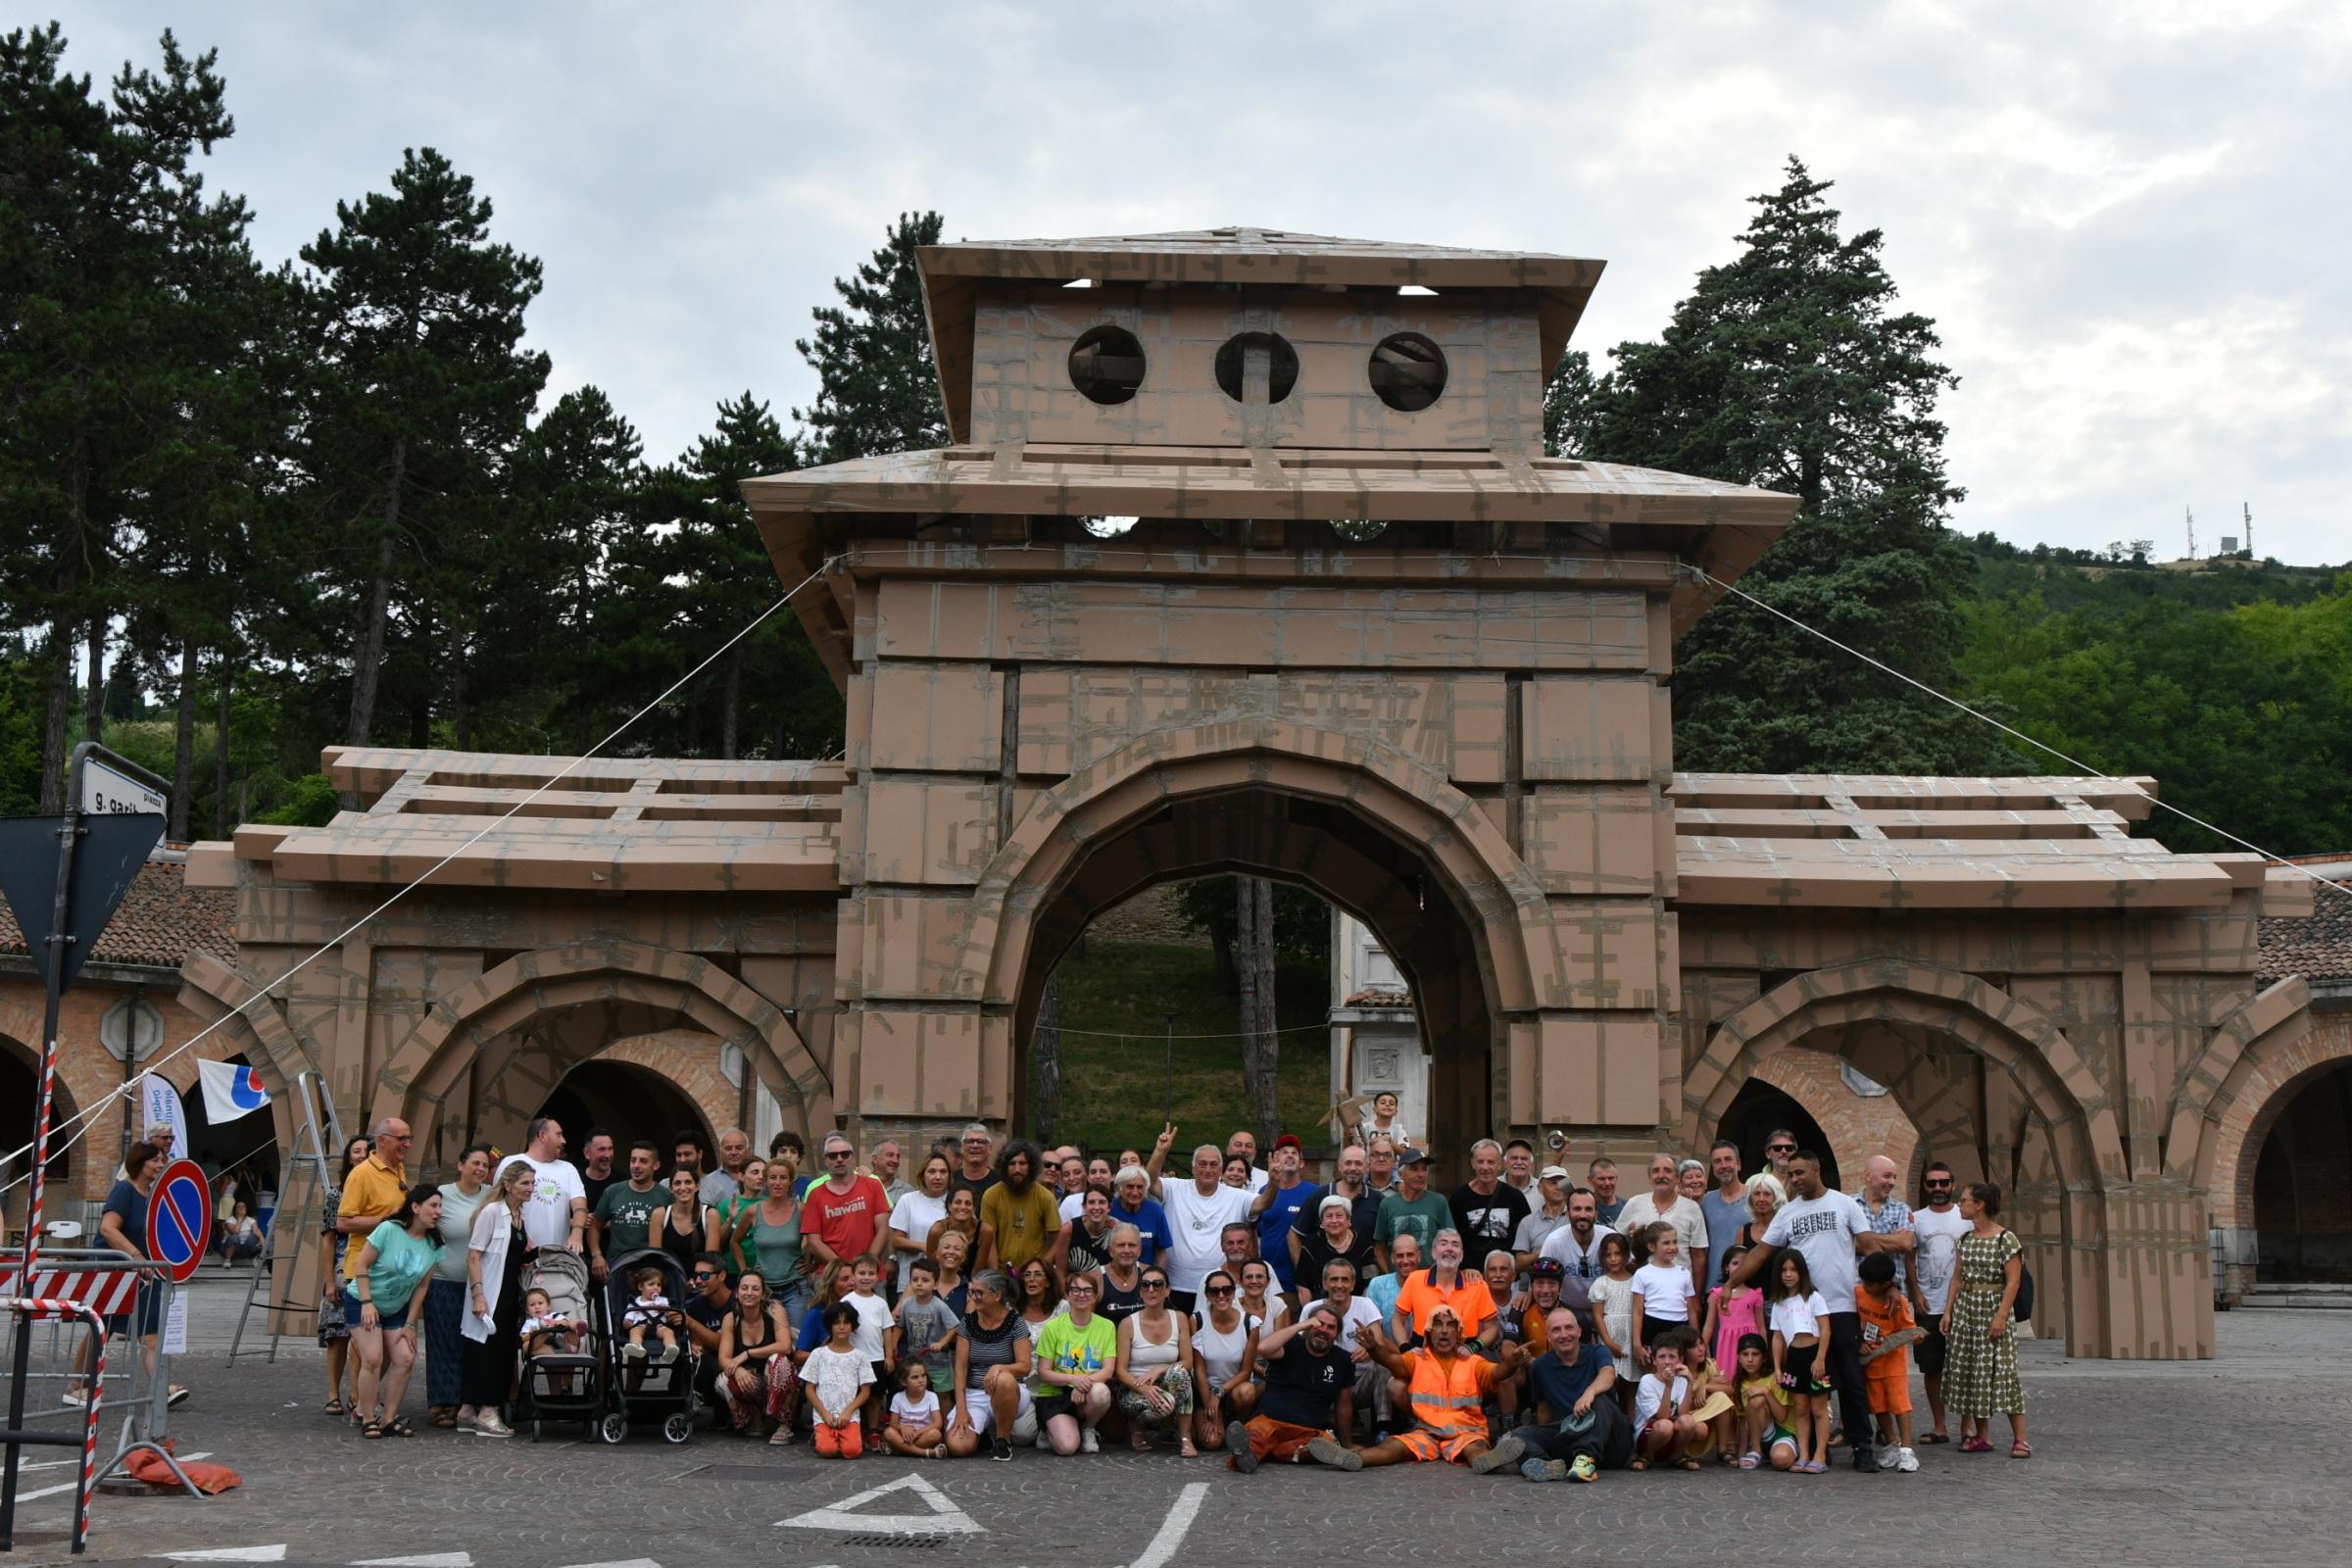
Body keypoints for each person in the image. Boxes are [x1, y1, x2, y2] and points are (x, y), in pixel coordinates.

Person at [1720, 1149, 1889, 1471]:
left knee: (1851, 1381)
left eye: (1800, 1173)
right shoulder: (1788, 1213)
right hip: (1801, 1311)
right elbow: (1759, 1254)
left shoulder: (1844, 1204)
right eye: (1791, 1174)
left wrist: (1888, 1285)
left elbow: (1870, 1247)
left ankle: (1862, 1446)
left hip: (1839, 1306)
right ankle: (1809, 1447)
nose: (1795, 1179)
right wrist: (1731, 1283)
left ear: (1816, 1168)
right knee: (1804, 1385)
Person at [76, 1144, 188, 1410]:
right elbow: (108, 1228)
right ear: (140, 1163)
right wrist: (135, 1256)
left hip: (145, 1274)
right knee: (99, 1329)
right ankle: (77, 1386)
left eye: (162, 1161)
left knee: (151, 1335)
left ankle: (161, 1388)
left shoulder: (154, 1196)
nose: (161, 1165)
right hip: (114, 1271)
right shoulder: (124, 1191)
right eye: (155, 1161)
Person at [1356, 1309, 1528, 1467]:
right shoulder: (1416, 1359)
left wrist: (1511, 1363)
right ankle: (1352, 1459)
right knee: (1392, 1447)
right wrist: (1373, 1348)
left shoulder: (1473, 1362)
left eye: (1450, 1325)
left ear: (1458, 1333)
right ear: (1429, 1333)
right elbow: (1389, 1360)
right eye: (1438, 1324)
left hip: (1467, 1432)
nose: (1444, 1330)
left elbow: (1497, 1373)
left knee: (1475, 1449)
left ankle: (1487, 1461)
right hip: (1426, 1433)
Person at [1478, 1305, 1629, 1482]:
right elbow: (1543, 1409)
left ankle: (1585, 1458)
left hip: (1610, 1443)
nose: (1564, 1335)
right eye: (1556, 1330)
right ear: (1548, 1336)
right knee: (1521, 1435)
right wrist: (1543, 1438)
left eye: (1569, 1328)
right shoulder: (1540, 1366)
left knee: (1599, 1398)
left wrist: (1589, 1392)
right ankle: (1542, 1463)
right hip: (1570, 1434)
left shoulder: (1598, 1352)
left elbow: (1608, 1374)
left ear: (1579, 1331)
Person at [344, 1181, 441, 1439]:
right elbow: (361, 1266)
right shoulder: (388, 1229)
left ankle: (388, 1418)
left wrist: (410, 1324)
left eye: (440, 1206)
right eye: (433, 1205)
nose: (438, 1211)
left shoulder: (434, 1245)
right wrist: (367, 1304)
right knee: (373, 1358)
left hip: (396, 1308)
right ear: (416, 1207)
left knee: (405, 1358)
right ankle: (367, 1417)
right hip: (362, 1300)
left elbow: (422, 1288)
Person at [1942, 1181, 2029, 1458]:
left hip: (1992, 1307)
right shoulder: (1965, 1239)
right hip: (1967, 1310)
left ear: (1979, 1205)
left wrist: (2001, 1316)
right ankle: (1982, 1435)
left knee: (2003, 1372)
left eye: (1964, 1200)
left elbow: (2013, 1282)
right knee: (1971, 1371)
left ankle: (2020, 1439)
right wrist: (1948, 1311)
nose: (1960, 1204)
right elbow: (1957, 1277)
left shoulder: (2006, 1239)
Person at [1223, 1304, 1364, 1473]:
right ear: (1309, 1325)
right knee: (1257, 1435)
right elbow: (1263, 1348)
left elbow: (1343, 1406)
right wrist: (1300, 1326)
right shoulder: (1290, 1344)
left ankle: (1264, 1453)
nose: (1324, 1330)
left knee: (1325, 1442)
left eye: (1331, 1327)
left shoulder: (1343, 1360)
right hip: (1269, 1420)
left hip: (1308, 1429)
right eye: (1319, 1324)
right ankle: (1250, 1454)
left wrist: (1347, 1443)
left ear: (1337, 1333)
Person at [332, 1121, 411, 1413]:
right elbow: (343, 1222)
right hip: (363, 1271)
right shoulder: (362, 1174)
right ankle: (359, 1402)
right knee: (366, 1347)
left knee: (385, 1347)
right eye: (402, 1138)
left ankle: (367, 1399)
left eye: (409, 1138)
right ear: (382, 1140)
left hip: (392, 1273)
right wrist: (385, 1220)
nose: (407, 1144)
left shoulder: (398, 1170)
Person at [460, 1158, 540, 1437]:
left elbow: (512, 1254)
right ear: (508, 1185)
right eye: (525, 1183)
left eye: (532, 1183)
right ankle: (487, 1411)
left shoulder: (518, 1215)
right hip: (491, 1292)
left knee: (496, 1350)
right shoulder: (492, 1212)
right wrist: (478, 1295)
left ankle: (467, 1410)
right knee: (490, 1354)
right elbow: (473, 1255)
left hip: (508, 1292)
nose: (531, 1189)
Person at [424, 1143, 493, 1429]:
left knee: (472, 1346)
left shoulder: (491, 1196)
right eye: (475, 1163)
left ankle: (467, 1400)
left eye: (485, 1166)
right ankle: (442, 1403)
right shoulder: (443, 1195)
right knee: (443, 1344)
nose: (480, 1169)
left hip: (479, 1285)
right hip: (443, 1281)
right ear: (461, 1165)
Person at [1150, 1131, 1254, 1314]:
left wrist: (1275, 1183)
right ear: (1193, 1168)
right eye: (1202, 1164)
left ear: (1221, 1171)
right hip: (1176, 1285)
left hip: (1218, 1289)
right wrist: (1160, 1151)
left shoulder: (1236, 1196)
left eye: (1214, 1165)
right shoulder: (1175, 1187)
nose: (1208, 1169)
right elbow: (1149, 1181)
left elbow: (1263, 1203)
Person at [1909, 1160, 1969, 1444]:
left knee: (1965, 1367)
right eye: (1932, 1183)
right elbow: (1909, 1257)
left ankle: (1967, 1427)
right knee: (1932, 1367)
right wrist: (1915, 1293)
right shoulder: (1916, 1218)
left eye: (1943, 1182)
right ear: (1925, 1186)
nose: (1938, 1188)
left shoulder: (1965, 1216)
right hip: (1928, 1304)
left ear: (1952, 1185)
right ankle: (1940, 1425)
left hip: (1962, 1305)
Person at [949, 1269, 1032, 1460]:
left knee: (1003, 1380)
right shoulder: (967, 1322)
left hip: (1010, 1391)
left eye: (979, 1293)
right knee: (957, 1446)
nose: (973, 1297)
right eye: (972, 1292)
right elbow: (960, 1369)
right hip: (975, 1393)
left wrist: (999, 1367)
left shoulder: (1016, 1322)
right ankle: (983, 1435)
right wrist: (961, 1409)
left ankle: (1003, 1441)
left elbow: (1025, 1366)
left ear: (996, 1296)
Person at [1114, 1265, 1199, 1454]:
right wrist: (1143, 1388)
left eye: (1157, 1284)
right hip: (1135, 1388)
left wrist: (1160, 1368)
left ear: (1167, 1290)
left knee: (1180, 1374)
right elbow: (1120, 1371)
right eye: (1145, 1285)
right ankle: (1137, 1428)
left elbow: (1187, 1362)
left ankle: (1185, 1438)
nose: (1151, 1290)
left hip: (1169, 1384)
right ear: (1141, 1291)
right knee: (1163, 1402)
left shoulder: (1179, 1318)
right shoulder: (1128, 1323)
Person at [1032, 1268, 1116, 1454]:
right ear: (1067, 1295)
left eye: (1087, 1291)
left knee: (1101, 1392)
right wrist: (1074, 1380)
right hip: (1055, 1394)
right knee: (1067, 1448)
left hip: (1087, 1393)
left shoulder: (1106, 1326)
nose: (1081, 1295)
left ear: (1095, 1296)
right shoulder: (1053, 1327)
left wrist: (1082, 1385)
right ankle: (1048, 1429)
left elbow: (1108, 1370)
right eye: (1075, 1290)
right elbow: (1044, 1372)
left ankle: (1088, 1428)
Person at [1298, 1258, 1386, 1430]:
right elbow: (1301, 1351)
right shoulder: (1311, 1309)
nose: (1339, 1285)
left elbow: (1380, 1343)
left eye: (1345, 1280)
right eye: (1334, 1279)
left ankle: (1383, 1426)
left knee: (1384, 1366)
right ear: (1324, 1283)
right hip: (1325, 1384)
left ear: (1353, 1284)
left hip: (1359, 1381)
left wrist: (1370, 1349)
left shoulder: (1365, 1304)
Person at [1767, 1249, 1833, 1473]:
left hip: (1814, 1355)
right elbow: (1777, 1337)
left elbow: (1825, 1329)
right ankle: (1803, 1454)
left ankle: (1820, 1455)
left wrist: (1820, 1358)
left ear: (1802, 1272)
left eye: (1793, 1269)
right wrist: (1777, 1367)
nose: (1788, 1274)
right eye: (1784, 1270)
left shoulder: (1814, 1298)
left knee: (1819, 1409)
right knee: (1801, 1409)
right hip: (1794, 1358)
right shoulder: (1778, 1304)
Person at [1855, 1250, 1921, 1471]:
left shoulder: (1898, 1302)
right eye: (1864, 1282)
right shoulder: (1857, 1294)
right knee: (1879, 1405)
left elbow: (1909, 1330)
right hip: (1871, 1362)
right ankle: (1892, 1444)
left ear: (1885, 1284)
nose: (1866, 1287)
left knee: (1899, 1404)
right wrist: (1859, 1341)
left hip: (1893, 1362)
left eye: (1871, 1284)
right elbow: (1853, 1321)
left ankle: (1907, 1450)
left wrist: (1917, 1337)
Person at [1189, 1267, 1261, 1452]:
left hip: (1233, 1389)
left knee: (1247, 1392)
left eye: (1227, 1290)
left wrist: (1219, 1393)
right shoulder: (1197, 1320)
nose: (1221, 1295)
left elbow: (1246, 1372)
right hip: (1204, 1390)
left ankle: (1238, 1425)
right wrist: (1209, 1407)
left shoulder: (1250, 1323)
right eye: (1214, 1291)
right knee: (1211, 1442)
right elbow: (1199, 1370)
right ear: (1207, 1295)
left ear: (1234, 1292)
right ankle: (1208, 1420)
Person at [715, 1268, 793, 1440]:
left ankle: (784, 1424)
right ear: (737, 1293)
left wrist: (748, 1353)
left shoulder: (774, 1311)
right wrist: (737, 1370)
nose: (749, 1293)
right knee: (723, 1380)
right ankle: (753, 1417)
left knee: (778, 1360)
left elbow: (785, 1346)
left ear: (763, 1294)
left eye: (755, 1288)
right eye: (744, 1288)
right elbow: (723, 1358)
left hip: (778, 1378)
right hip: (752, 1380)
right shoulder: (731, 1318)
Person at [494, 1117, 587, 1255]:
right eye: (558, 1134)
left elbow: (580, 1205)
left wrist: (577, 1233)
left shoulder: (568, 1169)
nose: (563, 1141)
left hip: (556, 1257)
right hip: (518, 1254)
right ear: (543, 1136)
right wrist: (520, 1236)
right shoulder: (511, 1162)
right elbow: (498, 1205)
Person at [806, 1132, 893, 1277]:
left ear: (854, 1157)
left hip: (871, 1275)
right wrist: (844, 1269)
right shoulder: (815, 1194)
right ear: (825, 1161)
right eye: (833, 1156)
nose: (839, 1159)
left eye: (845, 1154)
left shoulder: (873, 1185)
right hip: (832, 1276)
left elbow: (883, 1229)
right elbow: (814, 1241)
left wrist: (864, 1267)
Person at [1392, 1229, 1495, 1348]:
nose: (1449, 1248)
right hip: (1423, 1356)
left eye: (1455, 1244)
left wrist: (1473, 1348)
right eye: (1443, 1243)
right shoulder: (1415, 1279)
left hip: (1464, 1357)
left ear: (1462, 1254)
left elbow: (1492, 1327)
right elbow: (1397, 1320)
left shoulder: (1477, 1285)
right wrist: (1406, 1349)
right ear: (1433, 1252)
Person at [1614, 1152, 1706, 1285]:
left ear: (1677, 1177)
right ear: (1649, 1177)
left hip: (1678, 1291)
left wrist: (1696, 1297)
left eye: (1667, 1171)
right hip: (1639, 1288)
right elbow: (1616, 1243)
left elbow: (1698, 1257)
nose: (1661, 1176)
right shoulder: (1635, 1203)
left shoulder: (1692, 1208)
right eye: (1656, 1171)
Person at [733, 1157, 808, 1321]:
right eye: (773, 1178)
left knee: (796, 1338)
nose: (778, 1183)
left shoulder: (801, 1210)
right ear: (766, 1181)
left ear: (790, 1181)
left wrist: (812, 1263)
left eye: (783, 1178)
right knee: (768, 1339)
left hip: (795, 1287)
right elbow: (735, 1242)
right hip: (763, 1289)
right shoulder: (753, 1211)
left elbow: (816, 1238)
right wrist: (745, 1271)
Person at [802, 1301, 875, 1458]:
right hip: (824, 1414)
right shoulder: (818, 1354)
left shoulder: (860, 1357)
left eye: (846, 1322)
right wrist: (824, 1413)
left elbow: (865, 1391)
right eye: (836, 1323)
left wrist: (848, 1412)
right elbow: (809, 1388)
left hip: (849, 1416)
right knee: (828, 1451)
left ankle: (840, 1437)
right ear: (829, 1326)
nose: (841, 1327)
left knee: (852, 1451)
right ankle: (820, 1437)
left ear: (853, 1326)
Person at [1628, 1331, 1707, 1472]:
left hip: (1669, 1434)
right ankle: (1646, 1457)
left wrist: (1690, 1383)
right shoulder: (1648, 1381)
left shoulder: (1682, 1379)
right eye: (1662, 1357)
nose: (1667, 1361)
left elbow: (1683, 1414)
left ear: (1680, 1360)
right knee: (1665, 1425)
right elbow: (1662, 1417)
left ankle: (1676, 1456)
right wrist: (1668, 1385)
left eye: (1672, 1356)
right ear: (1654, 1360)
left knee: (1695, 1425)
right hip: (1648, 1436)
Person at [590, 1140, 666, 1285]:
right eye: (633, 1160)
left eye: (643, 1161)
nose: (636, 1166)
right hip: (616, 1268)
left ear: (656, 1165)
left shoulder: (665, 1196)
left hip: (649, 1272)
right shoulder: (613, 1191)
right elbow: (595, 1225)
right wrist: (596, 1255)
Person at [1449, 1138, 1530, 1275]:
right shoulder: (1459, 1198)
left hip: (1506, 1277)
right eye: (1480, 1161)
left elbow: (1527, 1237)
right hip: (1471, 1277)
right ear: (1472, 1163)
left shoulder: (1515, 1197)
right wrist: (1464, 1267)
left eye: (1491, 1162)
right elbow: (1452, 1239)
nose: (1485, 1167)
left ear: (1500, 1164)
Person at [1249, 1136, 1315, 1298]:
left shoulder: (1314, 1193)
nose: (1290, 1155)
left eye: (1294, 1153)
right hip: (1266, 1284)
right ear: (1275, 1160)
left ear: (1302, 1163)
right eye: (1284, 1152)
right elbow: (1252, 1232)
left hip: (1299, 1285)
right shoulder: (1264, 1193)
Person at [980, 1139, 1061, 1271]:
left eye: (1022, 1163)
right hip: (1003, 1273)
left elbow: (1058, 1240)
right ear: (1004, 1167)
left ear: (1031, 1166)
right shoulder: (991, 1195)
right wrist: (995, 1276)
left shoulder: (1045, 1197)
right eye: (1012, 1164)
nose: (1017, 1169)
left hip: (1033, 1275)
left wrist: (1040, 1268)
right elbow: (989, 1240)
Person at [896, 1255, 961, 1413]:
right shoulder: (907, 1304)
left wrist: (942, 1342)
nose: (919, 1283)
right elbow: (899, 1326)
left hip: (938, 1361)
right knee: (915, 1392)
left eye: (925, 1280)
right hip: (915, 1361)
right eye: (915, 1279)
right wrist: (892, 1346)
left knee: (942, 1395)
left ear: (936, 1284)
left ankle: (945, 1429)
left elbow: (955, 1327)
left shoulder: (939, 1306)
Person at [1629, 1221, 1698, 1368]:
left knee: (1681, 1372)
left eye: (1675, 1242)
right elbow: (1637, 1311)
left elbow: (1691, 1310)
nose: (1672, 1247)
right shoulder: (1642, 1274)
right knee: (1656, 1373)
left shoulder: (1684, 1273)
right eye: (1666, 1243)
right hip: (1653, 1326)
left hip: (1680, 1327)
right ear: (1651, 1246)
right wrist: (1636, 1343)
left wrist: (1696, 1339)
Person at [1294, 1194, 1378, 1315]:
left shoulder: (1364, 1244)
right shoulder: (1311, 1244)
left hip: (1355, 1310)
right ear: (1322, 1221)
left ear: (1349, 1219)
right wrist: (1314, 1315)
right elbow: (1303, 1286)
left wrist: (1358, 1312)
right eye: (1329, 1216)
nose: (1334, 1220)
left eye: (1339, 1216)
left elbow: (1369, 1284)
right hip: (1320, 1310)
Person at [1371, 1147, 1450, 1270]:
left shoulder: (1438, 1202)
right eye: (1414, 1169)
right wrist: (1390, 1278)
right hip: (1398, 1283)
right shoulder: (1388, 1205)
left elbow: (1449, 1244)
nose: (1420, 1174)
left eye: (1424, 1169)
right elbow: (1379, 1249)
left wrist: (1436, 1275)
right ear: (1400, 1174)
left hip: (1429, 1282)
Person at [889, 1152, 956, 1293]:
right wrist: (926, 1246)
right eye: (932, 1171)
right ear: (922, 1176)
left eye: (943, 1172)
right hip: (913, 1282)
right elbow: (896, 1240)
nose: (937, 1177)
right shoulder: (908, 1200)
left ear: (949, 1176)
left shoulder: (957, 1202)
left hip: (947, 1281)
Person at [679, 1253, 735, 1421]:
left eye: (704, 1275)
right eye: (696, 1275)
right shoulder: (697, 1303)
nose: (698, 1280)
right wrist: (695, 1344)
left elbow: (724, 1345)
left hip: (736, 1362)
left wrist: (690, 1323)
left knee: (715, 1360)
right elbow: (696, 1339)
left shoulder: (737, 1304)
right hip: (709, 1364)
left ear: (722, 1276)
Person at [1537, 1185, 1614, 1298]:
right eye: (1577, 1209)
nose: (1583, 1215)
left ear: (1596, 1214)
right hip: (1567, 1308)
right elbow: (1541, 1277)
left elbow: (1629, 1272)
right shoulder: (1554, 1241)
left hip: (1605, 1307)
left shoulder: (1611, 1237)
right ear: (1568, 1214)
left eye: (1588, 1209)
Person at [1702, 1243, 1767, 1379]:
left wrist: (1764, 1350)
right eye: (1735, 1263)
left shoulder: (1755, 1295)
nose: (1739, 1267)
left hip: (1751, 1343)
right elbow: (1709, 1326)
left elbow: (1761, 1327)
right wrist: (1702, 1347)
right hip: (1728, 1345)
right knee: (1727, 1378)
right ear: (1726, 1267)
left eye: (1744, 1263)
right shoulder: (1717, 1295)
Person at [1858, 1153, 1918, 1296]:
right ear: (1868, 1176)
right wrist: (1893, 1239)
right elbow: (1849, 1243)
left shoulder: (1902, 1209)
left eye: (1894, 1177)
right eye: (1887, 1176)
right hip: (1858, 1293)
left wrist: (1862, 1236)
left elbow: (1906, 1243)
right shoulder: (1849, 1205)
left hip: (1894, 1294)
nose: (1892, 1182)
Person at [1586, 1233, 1637, 1394]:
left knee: (1630, 1387)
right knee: (1611, 1383)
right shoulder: (1601, 1283)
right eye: (1608, 1255)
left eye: (1617, 1254)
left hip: (1631, 1338)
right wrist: (1608, 1342)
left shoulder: (1636, 1280)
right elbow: (1597, 1316)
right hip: (1610, 1337)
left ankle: (1631, 1419)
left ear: (1626, 1255)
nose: (1613, 1259)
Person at [1699, 1141, 1752, 1292]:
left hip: (1747, 1289)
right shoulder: (1705, 1202)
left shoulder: (1756, 1198)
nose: (1723, 1165)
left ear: (1739, 1164)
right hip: (1712, 1288)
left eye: (1728, 1159)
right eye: (1717, 1161)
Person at [647, 1166, 720, 1269]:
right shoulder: (659, 1215)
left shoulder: (710, 1215)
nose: (683, 1187)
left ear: (697, 1186)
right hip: (668, 1278)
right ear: (671, 1189)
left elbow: (711, 1262)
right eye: (677, 1183)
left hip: (700, 1280)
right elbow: (655, 1260)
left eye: (688, 1182)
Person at [1104, 1164, 1173, 1267]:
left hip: (1144, 1277)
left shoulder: (1155, 1211)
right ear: (1119, 1188)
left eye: (1140, 1187)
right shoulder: (1108, 1209)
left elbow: (1161, 1251)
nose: (1135, 1192)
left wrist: (1157, 1277)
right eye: (1130, 1186)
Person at [1511, 1165, 1574, 1269]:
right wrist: (1543, 1251)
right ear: (1540, 1188)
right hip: (1539, 1282)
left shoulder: (1577, 1217)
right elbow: (1519, 1264)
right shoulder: (1528, 1222)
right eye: (1553, 1183)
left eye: (1563, 1183)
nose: (1558, 1187)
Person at [714, 1156, 766, 1277]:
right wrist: (730, 1219)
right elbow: (718, 1243)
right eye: (755, 1172)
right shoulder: (726, 1205)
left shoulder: (770, 1203)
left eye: (764, 1173)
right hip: (733, 1271)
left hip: (765, 1271)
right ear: (741, 1176)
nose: (761, 1177)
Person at [1054, 1187, 1119, 1284]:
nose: (1096, 1207)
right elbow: (1060, 1272)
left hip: (1107, 1289)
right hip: (1074, 1290)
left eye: (1101, 1202)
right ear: (1084, 1206)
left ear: (1109, 1207)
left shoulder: (1118, 1230)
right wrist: (1066, 1296)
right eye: (1091, 1202)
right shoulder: (1068, 1230)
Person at [884, 1358, 948, 1457]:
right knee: (888, 1433)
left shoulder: (931, 1396)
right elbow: (893, 1424)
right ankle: (924, 1453)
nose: (921, 1380)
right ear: (904, 1382)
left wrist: (918, 1433)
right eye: (915, 1377)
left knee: (936, 1434)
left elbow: (938, 1423)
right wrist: (902, 1427)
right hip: (904, 1436)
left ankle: (899, 1449)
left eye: (923, 1375)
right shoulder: (898, 1397)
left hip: (922, 1436)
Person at [621, 1265, 681, 1362]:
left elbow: (672, 1315)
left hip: (659, 1326)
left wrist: (667, 1310)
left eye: (659, 1285)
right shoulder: (635, 1303)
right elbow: (629, 1316)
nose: (656, 1288)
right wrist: (627, 1322)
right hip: (641, 1325)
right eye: (651, 1284)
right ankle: (636, 1346)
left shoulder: (664, 1301)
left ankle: (671, 1348)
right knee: (634, 1331)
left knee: (669, 1332)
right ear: (641, 1287)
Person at [1363, 1232, 1419, 1326]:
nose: (1405, 1261)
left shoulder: (1429, 1284)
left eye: (1410, 1255)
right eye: (1400, 1256)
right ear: (1392, 1258)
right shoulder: (1378, 1285)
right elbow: (1373, 1330)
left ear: (1419, 1256)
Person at [516, 1286, 583, 1359]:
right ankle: (545, 1332)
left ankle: (578, 1325)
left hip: (564, 1343)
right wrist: (530, 1333)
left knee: (570, 1323)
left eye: (540, 1303)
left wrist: (556, 1323)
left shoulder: (554, 1315)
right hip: (546, 1348)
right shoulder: (529, 1322)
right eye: (532, 1305)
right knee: (525, 1347)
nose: (537, 1307)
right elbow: (524, 1338)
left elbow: (565, 1323)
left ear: (548, 1306)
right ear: (527, 1310)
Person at [701, 1127, 752, 1207]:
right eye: (728, 1148)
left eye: (739, 1148)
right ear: (720, 1152)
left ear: (748, 1151)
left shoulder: (758, 1178)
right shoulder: (709, 1182)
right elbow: (703, 1215)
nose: (734, 1152)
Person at [950, 1124, 1000, 1205]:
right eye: (969, 1141)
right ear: (961, 1148)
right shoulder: (951, 1180)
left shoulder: (1000, 1182)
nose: (975, 1146)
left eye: (981, 1142)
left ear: (990, 1148)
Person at [1736, 1173, 1781, 1252]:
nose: (1761, 1199)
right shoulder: (1743, 1232)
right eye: (1757, 1194)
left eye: (1767, 1194)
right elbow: (1737, 1263)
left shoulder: (1784, 1230)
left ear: (1776, 1197)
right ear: (1751, 1199)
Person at [578, 1129, 617, 1213]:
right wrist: (577, 1220)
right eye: (602, 1149)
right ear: (587, 1153)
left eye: (610, 1149)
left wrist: (601, 1222)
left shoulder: (623, 1182)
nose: (607, 1155)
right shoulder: (574, 1179)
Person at [214, 1200, 263, 1265]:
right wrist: (240, 1218)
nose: (241, 1208)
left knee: (253, 1236)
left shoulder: (251, 1220)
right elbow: (235, 1232)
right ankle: (227, 1260)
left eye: (243, 1206)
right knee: (235, 1237)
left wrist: (262, 1238)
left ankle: (255, 1258)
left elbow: (256, 1230)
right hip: (228, 1249)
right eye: (238, 1207)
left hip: (244, 1249)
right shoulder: (230, 1220)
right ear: (235, 1210)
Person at [870, 1139, 911, 1206]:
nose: (896, 1161)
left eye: (898, 1157)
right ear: (875, 1159)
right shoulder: (861, 1184)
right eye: (890, 1155)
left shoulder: (906, 1191)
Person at [1586, 1157, 1625, 1226]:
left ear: (1616, 1179)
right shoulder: (1582, 1207)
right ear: (1590, 1180)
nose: (1607, 1183)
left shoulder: (1627, 1207)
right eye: (1601, 1179)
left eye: (1611, 1178)